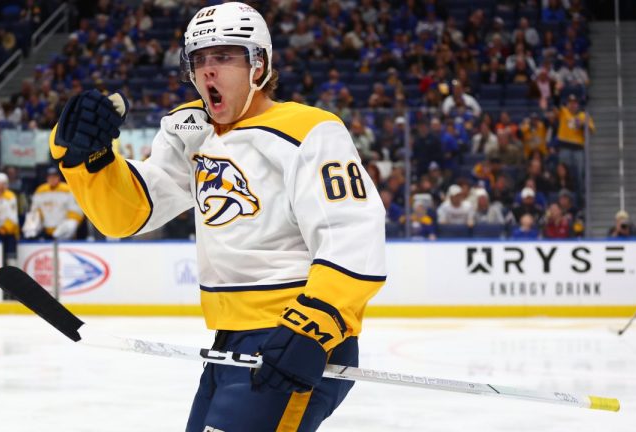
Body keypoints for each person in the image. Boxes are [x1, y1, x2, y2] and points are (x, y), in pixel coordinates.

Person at [48, 3, 386, 431]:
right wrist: (90, 162)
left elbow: (352, 234)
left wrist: (313, 326)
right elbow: (128, 214)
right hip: (231, 339)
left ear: (258, 64)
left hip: (295, 336)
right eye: (199, 59)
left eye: (224, 57)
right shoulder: (191, 130)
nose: (208, 71)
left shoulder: (310, 130)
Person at [23, 167, 84, 240]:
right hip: (45, 229)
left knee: (71, 224)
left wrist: (67, 226)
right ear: (47, 178)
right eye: (50, 177)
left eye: (54, 177)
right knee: (31, 221)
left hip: (63, 231)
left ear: (59, 177)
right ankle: (31, 239)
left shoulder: (67, 190)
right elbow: (35, 210)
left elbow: (75, 211)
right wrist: (34, 226)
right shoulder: (40, 191)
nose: (52, 179)